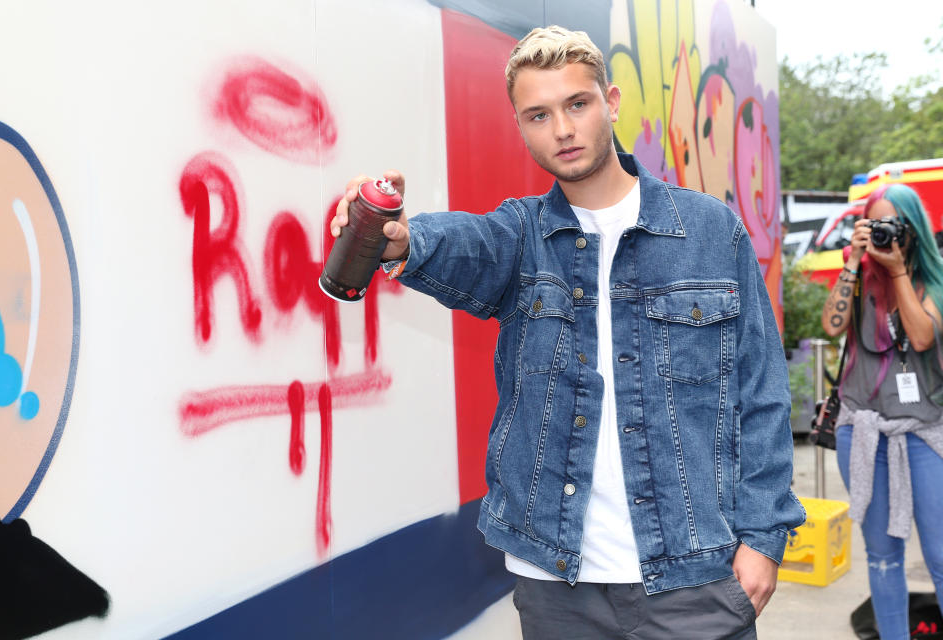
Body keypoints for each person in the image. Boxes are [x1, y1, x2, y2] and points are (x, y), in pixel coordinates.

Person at [331, 25, 804, 639]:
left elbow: (762, 394)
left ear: (609, 102)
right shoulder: (521, 235)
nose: (562, 129)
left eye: (577, 104)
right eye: (538, 114)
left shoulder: (711, 232)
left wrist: (764, 539)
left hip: (697, 577)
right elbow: (465, 244)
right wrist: (402, 238)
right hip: (559, 588)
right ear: (521, 126)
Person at [821, 184, 943, 640]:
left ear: (913, 230)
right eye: (875, 224)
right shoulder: (859, 279)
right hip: (864, 432)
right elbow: (831, 326)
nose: (885, 233)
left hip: (926, 434)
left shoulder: (934, 279)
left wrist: (896, 273)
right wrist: (853, 261)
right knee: (882, 555)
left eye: (893, 225)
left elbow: (923, 335)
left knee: (940, 555)